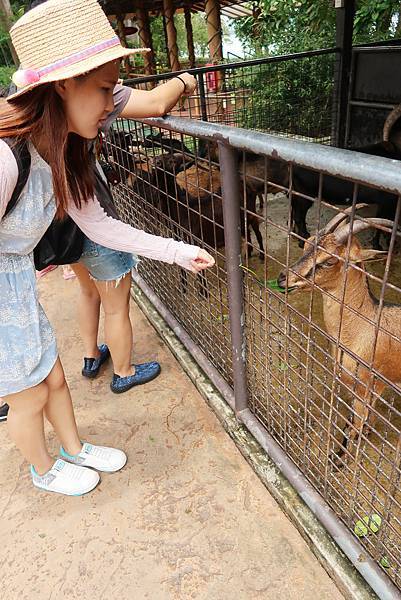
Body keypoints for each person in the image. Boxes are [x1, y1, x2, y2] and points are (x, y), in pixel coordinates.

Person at [0, 0, 215, 495]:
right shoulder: (9, 156)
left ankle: (74, 449)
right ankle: (42, 469)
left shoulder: (61, 148)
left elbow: (100, 225)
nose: (113, 104)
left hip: (14, 280)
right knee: (28, 393)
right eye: (104, 90)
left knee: (52, 376)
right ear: (61, 86)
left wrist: (177, 251)